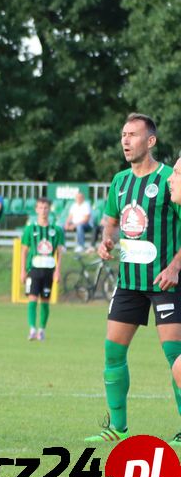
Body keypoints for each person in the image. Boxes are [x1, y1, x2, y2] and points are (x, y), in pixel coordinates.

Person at [86, 113, 181, 444]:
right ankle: (117, 428)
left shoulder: (171, 178)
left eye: (132, 135)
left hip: (166, 283)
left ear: (150, 141)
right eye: (123, 135)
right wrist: (106, 240)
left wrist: (175, 267)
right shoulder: (120, 181)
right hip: (129, 283)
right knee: (112, 352)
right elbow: (110, 221)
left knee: (176, 358)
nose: (125, 141)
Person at [20, 197, 63, 341]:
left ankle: (42, 330)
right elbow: (24, 251)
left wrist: (58, 270)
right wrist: (22, 270)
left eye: (46, 208)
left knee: (45, 300)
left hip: (49, 269)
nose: (43, 211)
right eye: (40, 208)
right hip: (34, 269)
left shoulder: (56, 230)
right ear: (36, 209)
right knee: (32, 298)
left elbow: (59, 251)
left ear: (49, 209)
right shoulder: (30, 229)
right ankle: (32, 329)